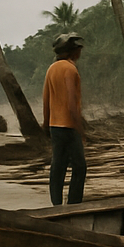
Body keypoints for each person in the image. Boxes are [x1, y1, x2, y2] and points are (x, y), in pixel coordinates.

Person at [43, 32, 86, 206]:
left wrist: (46, 125)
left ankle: (56, 205)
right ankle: (74, 204)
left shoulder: (51, 69)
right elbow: (71, 103)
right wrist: (80, 128)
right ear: (73, 52)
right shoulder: (70, 69)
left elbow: (46, 100)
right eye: (78, 49)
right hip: (68, 126)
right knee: (79, 167)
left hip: (55, 126)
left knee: (58, 167)